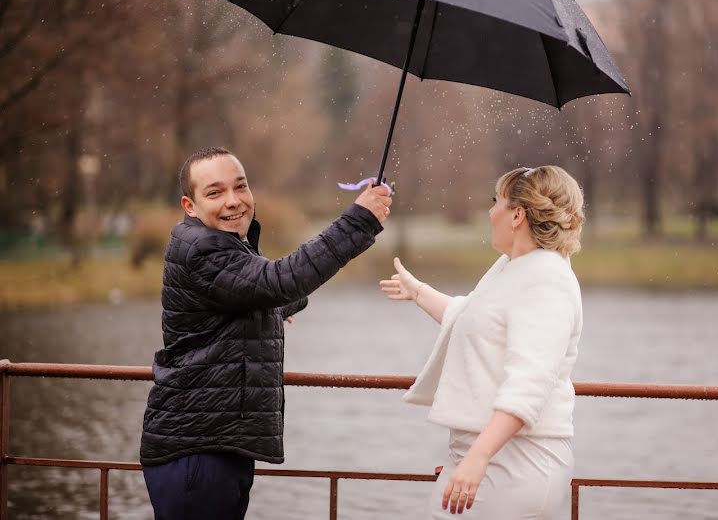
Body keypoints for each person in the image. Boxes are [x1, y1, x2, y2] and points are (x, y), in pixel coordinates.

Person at [140, 146, 391, 520]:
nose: (233, 201)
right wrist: (358, 221)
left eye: (240, 187)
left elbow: (259, 290)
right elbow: (276, 281)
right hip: (196, 451)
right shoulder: (202, 248)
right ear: (189, 205)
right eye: (215, 192)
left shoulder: (225, 244)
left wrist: (282, 304)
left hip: (217, 443)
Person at [380, 165, 584, 519]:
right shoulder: (512, 266)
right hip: (489, 457)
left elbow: (529, 383)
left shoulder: (546, 279)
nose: (490, 212)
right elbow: (473, 320)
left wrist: (478, 459)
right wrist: (419, 293)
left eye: (497, 202)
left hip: (518, 461)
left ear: (517, 215)